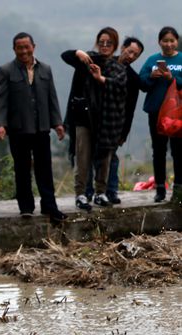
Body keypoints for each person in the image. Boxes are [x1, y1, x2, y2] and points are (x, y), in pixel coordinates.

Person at [0, 33, 67, 221]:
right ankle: (26, 207)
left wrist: (57, 123)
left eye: (27, 47)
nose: (24, 51)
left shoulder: (45, 69)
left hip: (41, 127)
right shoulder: (6, 70)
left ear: (34, 46)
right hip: (18, 129)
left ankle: (49, 206)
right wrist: (1, 124)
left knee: (45, 168)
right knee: (22, 168)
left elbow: (52, 98)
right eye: (20, 47)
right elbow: (1, 100)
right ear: (14, 49)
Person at [62, 28, 127, 211]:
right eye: (101, 42)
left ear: (114, 46)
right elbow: (65, 56)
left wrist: (101, 79)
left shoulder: (118, 68)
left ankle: (100, 192)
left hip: (107, 121)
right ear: (97, 43)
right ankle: (81, 194)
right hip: (84, 118)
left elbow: (120, 87)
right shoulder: (87, 60)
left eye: (109, 43)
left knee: (104, 159)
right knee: (82, 157)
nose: (105, 46)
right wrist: (78, 52)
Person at [84, 37, 144, 205]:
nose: (131, 56)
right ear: (122, 47)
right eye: (130, 51)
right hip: (94, 117)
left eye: (136, 55)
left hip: (113, 122)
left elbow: (130, 108)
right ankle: (88, 192)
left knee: (111, 158)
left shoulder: (132, 78)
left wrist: (124, 132)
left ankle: (111, 191)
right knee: (88, 156)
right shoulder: (104, 63)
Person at [139, 26, 182, 204]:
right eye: (165, 40)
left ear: (177, 42)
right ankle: (160, 189)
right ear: (159, 42)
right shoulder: (152, 60)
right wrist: (152, 75)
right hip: (156, 112)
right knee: (159, 150)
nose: (169, 44)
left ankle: (178, 189)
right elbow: (142, 83)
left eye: (172, 40)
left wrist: (172, 78)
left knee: (179, 151)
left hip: (178, 113)